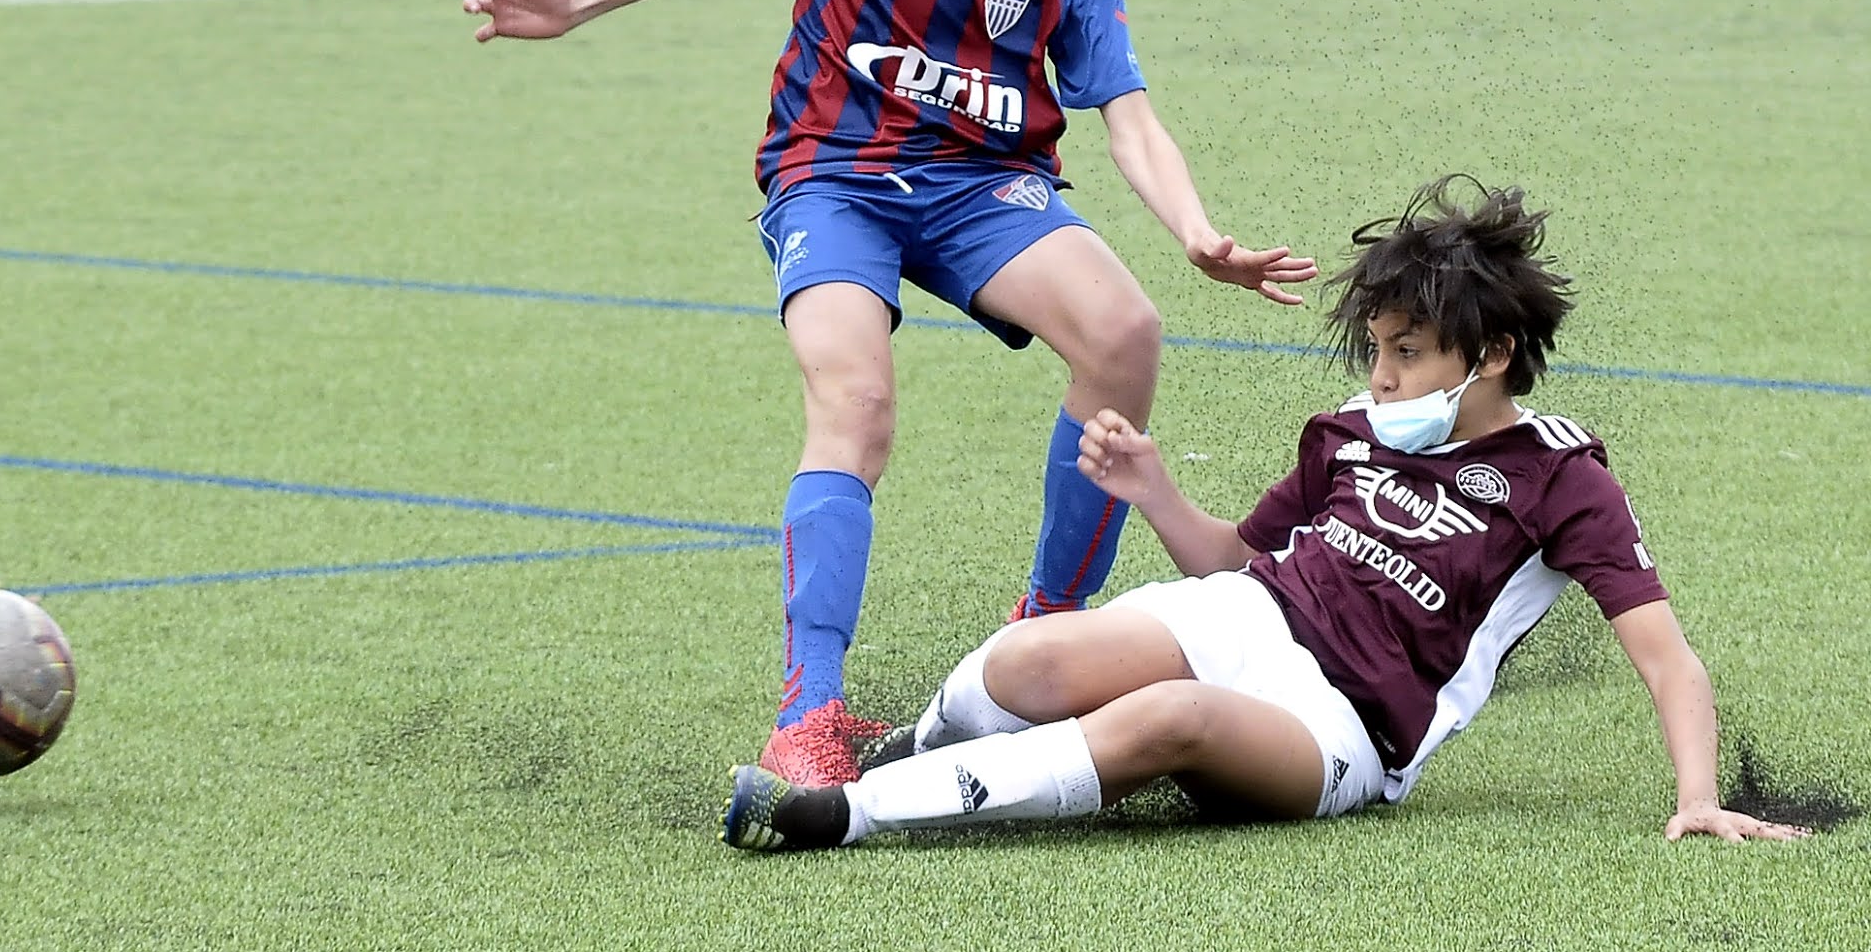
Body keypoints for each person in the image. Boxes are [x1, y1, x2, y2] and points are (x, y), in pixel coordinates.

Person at [463, 0, 1316, 788]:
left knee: (1125, 333)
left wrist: (1197, 232)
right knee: (855, 405)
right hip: (833, 174)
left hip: (979, 184)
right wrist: (574, 0)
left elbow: (1129, 115)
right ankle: (808, 713)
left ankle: (1042, 646)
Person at [721, 177, 1812, 850]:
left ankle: (846, 815)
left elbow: (1666, 658)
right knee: (1026, 660)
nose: (1379, 376)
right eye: (1375, 349)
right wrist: (1154, 490)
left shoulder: (1562, 477)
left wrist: (1698, 795)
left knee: (1172, 716)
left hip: (1343, 722)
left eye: (1405, 352)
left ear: (1489, 355)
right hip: (1244, 613)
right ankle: (911, 747)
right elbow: (1233, 556)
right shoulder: (1347, 429)